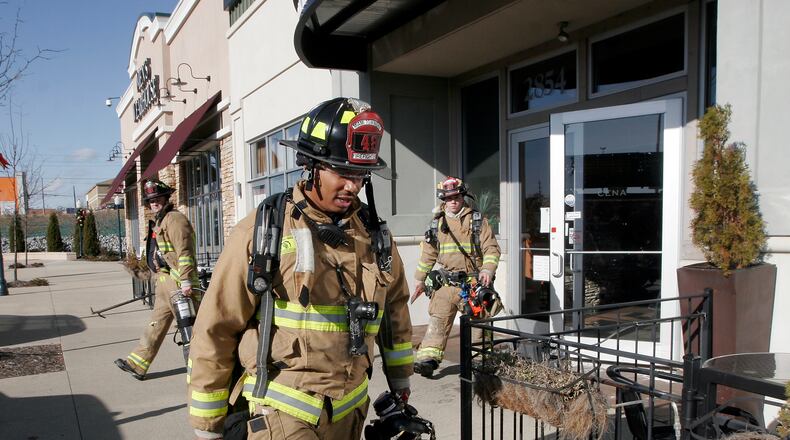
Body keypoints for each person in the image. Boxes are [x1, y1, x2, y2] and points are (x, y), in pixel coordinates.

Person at [187, 97, 414, 440]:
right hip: (284, 414)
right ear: (311, 165)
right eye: (343, 173)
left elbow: (394, 310)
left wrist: (400, 381)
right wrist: (208, 425)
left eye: (360, 175)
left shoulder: (374, 235)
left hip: (351, 412)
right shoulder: (263, 232)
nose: (353, 186)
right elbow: (216, 325)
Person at [410, 177, 501, 378]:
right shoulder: (436, 224)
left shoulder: (477, 221)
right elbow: (428, 254)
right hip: (446, 285)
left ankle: (480, 362)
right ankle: (428, 360)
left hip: (473, 284)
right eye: (448, 198)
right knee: (438, 322)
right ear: (443, 200)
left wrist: (487, 270)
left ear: (462, 197)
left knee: (479, 326)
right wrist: (419, 279)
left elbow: (491, 248)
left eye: (456, 197)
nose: (453, 201)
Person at [114, 179, 200, 380]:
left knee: (191, 329)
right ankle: (137, 364)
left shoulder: (175, 219)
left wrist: (186, 280)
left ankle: (200, 370)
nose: (154, 203)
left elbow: (185, 252)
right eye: (151, 200)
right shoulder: (161, 221)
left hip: (178, 284)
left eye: (158, 198)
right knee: (156, 324)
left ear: (166, 198)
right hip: (165, 282)